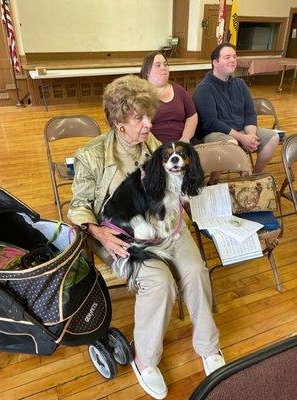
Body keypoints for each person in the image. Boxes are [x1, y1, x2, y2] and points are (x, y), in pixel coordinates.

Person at [68, 75, 224, 400]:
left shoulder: (153, 144)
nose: (148, 124)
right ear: (117, 122)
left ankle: (208, 347)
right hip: (123, 236)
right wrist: (98, 233)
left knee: (196, 270)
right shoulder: (90, 155)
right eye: (139, 117)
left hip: (165, 226)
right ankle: (145, 360)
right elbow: (79, 206)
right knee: (159, 283)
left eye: (149, 115)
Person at [193, 43, 279, 174]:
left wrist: (251, 135)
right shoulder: (204, 88)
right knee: (231, 143)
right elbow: (211, 122)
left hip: (242, 130)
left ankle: (253, 176)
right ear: (215, 62)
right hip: (215, 133)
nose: (232, 60)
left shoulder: (240, 83)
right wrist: (241, 138)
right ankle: (214, 180)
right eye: (227, 57)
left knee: (274, 137)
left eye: (234, 56)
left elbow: (250, 112)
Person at [140, 51, 198, 143]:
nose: (163, 68)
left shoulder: (179, 90)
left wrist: (185, 138)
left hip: (182, 142)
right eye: (158, 65)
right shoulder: (140, 94)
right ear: (147, 71)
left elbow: (192, 116)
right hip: (154, 145)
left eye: (165, 64)